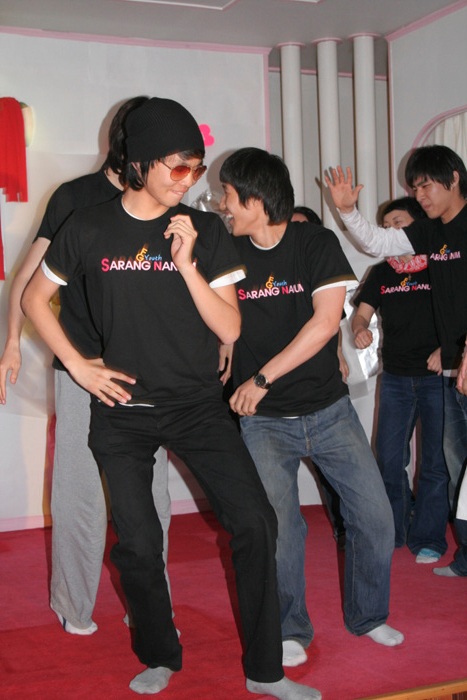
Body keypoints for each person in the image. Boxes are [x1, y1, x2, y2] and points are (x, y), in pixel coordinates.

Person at [22, 97, 321, 699]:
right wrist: (78, 366)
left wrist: (186, 264)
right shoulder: (88, 225)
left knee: (256, 521)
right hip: (122, 413)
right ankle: (160, 653)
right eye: (178, 166)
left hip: (197, 408)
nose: (189, 180)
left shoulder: (205, 232)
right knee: (138, 542)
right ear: (139, 163)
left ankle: (266, 670)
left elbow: (230, 327)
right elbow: (33, 297)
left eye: (197, 168)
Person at [219, 147, 404, 671]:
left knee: (375, 517)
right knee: (281, 529)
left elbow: (324, 323)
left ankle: (368, 615)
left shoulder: (314, 243)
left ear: (256, 198)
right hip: (264, 423)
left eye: (228, 194)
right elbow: (220, 321)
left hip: (327, 411)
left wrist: (261, 378)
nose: (223, 205)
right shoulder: (227, 251)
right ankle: (290, 627)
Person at [0, 96, 171, 634]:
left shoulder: (165, 202)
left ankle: (150, 606)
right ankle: (74, 605)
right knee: (80, 492)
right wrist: (11, 341)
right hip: (81, 366)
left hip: (148, 374)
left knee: (151, 496)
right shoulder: (75, 197)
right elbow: (29, 279)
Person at [325, 144, 467, 577]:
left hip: (451, 367)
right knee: (449, 461)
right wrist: (347, 211)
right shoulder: (430, 233)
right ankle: (452, 550)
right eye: (414, 188)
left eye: (426, 185)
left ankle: (432, 539)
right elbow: (375, 241)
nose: (420, 194)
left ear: (454, 178)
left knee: (444, 463)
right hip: (445, 371)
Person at [352, 196, 450, 563]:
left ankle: (429, 538)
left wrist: (447, 349)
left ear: (418, 226)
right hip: (394, 378)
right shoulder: (381, 272)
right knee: (389, 460)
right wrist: (360, 329)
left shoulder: (440, 265)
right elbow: (360, 315)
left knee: (435, 463)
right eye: (387, 225)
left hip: (437, 378)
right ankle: (393, 529)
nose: (392, 230)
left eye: (399, 223)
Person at [291, 206, 346, 549]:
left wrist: (338, 355)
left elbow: (332, 323)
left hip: (319, 386)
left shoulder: (320, 266)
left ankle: (343, 527)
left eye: (301, 226)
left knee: (330, 471)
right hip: (277, 393)